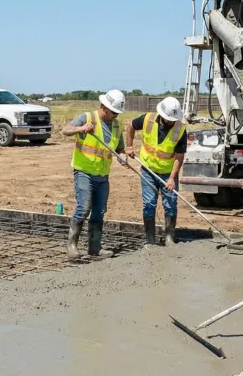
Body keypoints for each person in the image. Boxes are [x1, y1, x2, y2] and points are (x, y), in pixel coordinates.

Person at [62, 89, 127, 258]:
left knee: (99, 211)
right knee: (84, 208)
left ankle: (95, 247)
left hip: (103, 175)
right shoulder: (88, 118)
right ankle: (72, 246)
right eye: (113, 112)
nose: (115, 116)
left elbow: (120, 148)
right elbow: (65, 130)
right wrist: (81, 128)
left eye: (117, 113)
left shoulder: (117, 125)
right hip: (84, 171)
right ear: (103, 107)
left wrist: (122, 157)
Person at [124, 96, 187, 245]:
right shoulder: (148, 119)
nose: (171, 122)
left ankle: (169, 238)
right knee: (149, 204)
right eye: (168, 119)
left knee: (170, 203)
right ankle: (150, 240)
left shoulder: (180, 129)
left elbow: (179, 156)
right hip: (148, 170)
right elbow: (130, 125)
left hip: (167, 173)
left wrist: (172, 178)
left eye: (173, 119)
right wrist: (129, 146)